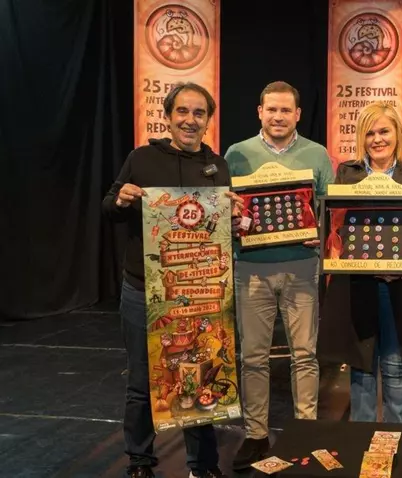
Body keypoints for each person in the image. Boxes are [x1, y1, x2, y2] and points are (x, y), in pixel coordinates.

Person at [102, 82, 240, 478]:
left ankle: (203, 464)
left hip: (200, 292)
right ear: (167, 116)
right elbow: (109, 207)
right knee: (142, 381)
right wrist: (122, 199)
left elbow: (222, 227)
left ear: (208, 121)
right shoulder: (141, 158)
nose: (190, 120)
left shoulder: (218, 167)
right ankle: (140, 461)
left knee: (201, 374)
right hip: (143, 290)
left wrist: (234, 217)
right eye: (182, 111)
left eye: (199, 113)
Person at [318, 101, 402, 423]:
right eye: (370, 133)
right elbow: (338, 228)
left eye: (384, 131)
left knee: (395, 366)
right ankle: (361, 441)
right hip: (358, 286)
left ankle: (395, 440)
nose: (377, 139)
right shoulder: (347, 172)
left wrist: (401, 266)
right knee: (362, 367)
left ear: (397, 134)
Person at [223, 81, 334, 470]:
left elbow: (328, 208)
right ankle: (256, 435)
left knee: (305, 355)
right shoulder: (236, 154)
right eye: (271, 109)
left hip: (302, 266)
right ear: (260, 112)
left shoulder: (317, 154)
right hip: (251, 268)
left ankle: (306, 430)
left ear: (298, 115)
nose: (278, 116)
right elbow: (225, 209)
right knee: (253, 357)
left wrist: (320, 232)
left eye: (286, 110)